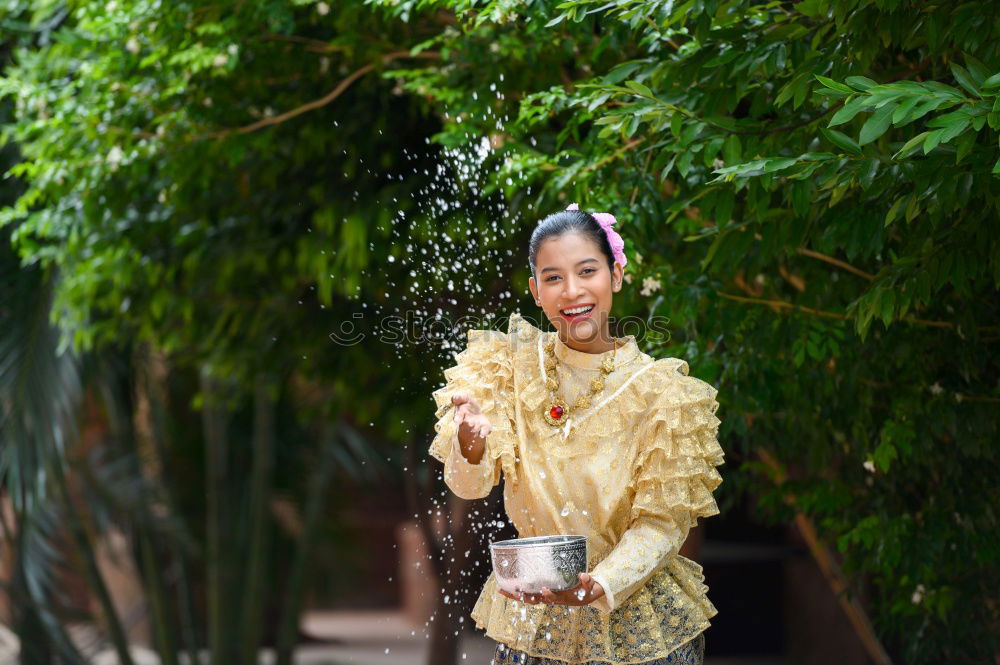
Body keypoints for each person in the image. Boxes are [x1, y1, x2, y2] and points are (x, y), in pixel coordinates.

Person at [427, 203, 725, 665]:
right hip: (535, 616)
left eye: (587, 271)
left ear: (617, 275)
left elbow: (663, 524)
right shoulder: (505, 367)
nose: (572, 291)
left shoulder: (665, 394)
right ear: (535, 291)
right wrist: (471, 443)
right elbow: (469, 485)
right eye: (553, 278)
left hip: (638, 623)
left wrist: (601, 584)